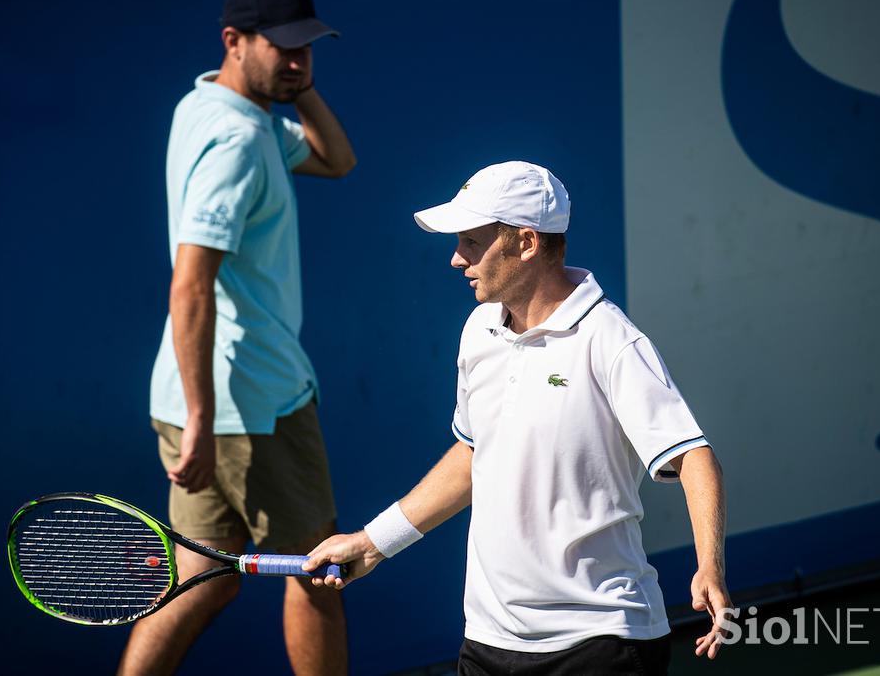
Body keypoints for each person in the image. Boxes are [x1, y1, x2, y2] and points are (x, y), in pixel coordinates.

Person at [304, 162, 732, 675]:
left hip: (601, 642)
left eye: (471, 241)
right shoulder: (479, 328)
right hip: (488, 640)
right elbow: (474, 455)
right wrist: (375, 543)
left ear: (526, 243)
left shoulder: (612, 343)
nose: (456, 258)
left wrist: (709, 564)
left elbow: (693, 458)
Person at [118, 0, 355, 674]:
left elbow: (337, 159)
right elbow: (190, 283)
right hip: (251, 405)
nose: (298, 59)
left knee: (204, 572)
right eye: (283, 47)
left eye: (307, 46)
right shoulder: (240, 141)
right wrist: (201, 418)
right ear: (234, 41)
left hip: (198, 398)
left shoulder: (208, 110)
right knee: (319, 571)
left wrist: (299, 88)